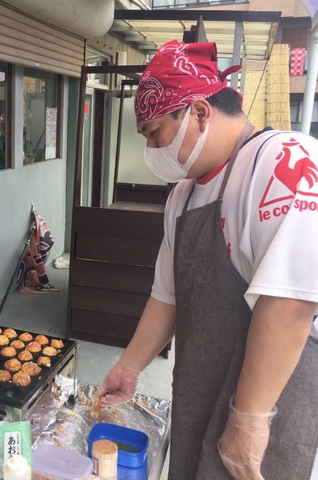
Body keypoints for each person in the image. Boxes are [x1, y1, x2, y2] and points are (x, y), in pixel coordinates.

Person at [94, 39, 318, 479]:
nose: (152, 150)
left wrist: (251, 418)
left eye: (155, 133)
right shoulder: (184, 194)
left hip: (270, 397)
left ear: (198, 113)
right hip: (200, 382)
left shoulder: (283, 161)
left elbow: (291, 301)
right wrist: (128, 367)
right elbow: (167, 296)